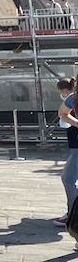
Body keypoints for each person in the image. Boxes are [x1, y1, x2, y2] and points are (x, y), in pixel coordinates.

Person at [56, 77, 78, 227]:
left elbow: (62, 114)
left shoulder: (74, 98)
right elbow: (62, 114)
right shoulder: (73, 98)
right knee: (68, 178)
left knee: (68, 179)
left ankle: (73, 215)